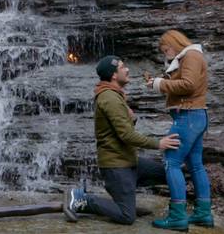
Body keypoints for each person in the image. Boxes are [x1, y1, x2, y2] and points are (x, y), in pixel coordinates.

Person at [63, 55, 181, 225]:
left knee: (169, 172)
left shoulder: (115, 95)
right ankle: (84, 199)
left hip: (129, 162)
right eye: (122, 67)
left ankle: (126, 197)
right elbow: (126, 135)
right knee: (127, 217)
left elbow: (119, 129)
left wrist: (131, 118)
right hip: (116, 167)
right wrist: (159, 143)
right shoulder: (110, 98)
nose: (127, 69)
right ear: (113, 75)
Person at [146, 30, 214, 231]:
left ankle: (177, 216)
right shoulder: (191, 56)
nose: (164, 52)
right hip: (195, 115)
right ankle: (203, 213)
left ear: (174, 43)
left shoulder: (191, 56)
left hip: (188, 116)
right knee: (195, 165)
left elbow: (188, 85)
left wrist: (159, 84)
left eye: (165, 48)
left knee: (171, 161)